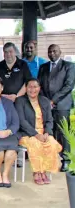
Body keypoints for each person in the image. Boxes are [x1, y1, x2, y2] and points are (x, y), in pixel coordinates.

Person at [15, 79, 62, 184]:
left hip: (43, 132)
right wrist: (36, 134)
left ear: (39, 88)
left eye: (35, 87)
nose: (32, 89)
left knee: (52, 143)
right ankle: (37, 172)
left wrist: (47, 133)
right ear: (26, 88)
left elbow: (50, 120)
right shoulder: (20, 101)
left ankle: (44, 171)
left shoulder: (45, 101)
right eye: (30, 87)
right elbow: (22, 121)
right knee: (35, 143)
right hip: (26, 134)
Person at [38, 44, 75, 172]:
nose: (52, 53)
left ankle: (65, 160)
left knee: (63, 133)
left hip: (62, 105)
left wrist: (53, 100)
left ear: (60, 52)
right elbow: (39, 86)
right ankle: (50, 159)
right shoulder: (43, 67)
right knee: (49, 132)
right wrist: (46, 101)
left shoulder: (69, 66)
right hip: (47, 105)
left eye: (54, 51)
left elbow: (69, 85)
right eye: (50, 51)